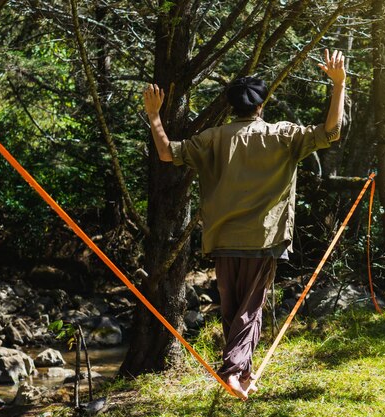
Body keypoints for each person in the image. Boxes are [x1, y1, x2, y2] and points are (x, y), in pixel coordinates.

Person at [143, 49, 346, 399]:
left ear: (231, 107)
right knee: (250, 309)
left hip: (222, 237)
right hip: (263, 238)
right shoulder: (282, 135)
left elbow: (166, 152)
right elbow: (331, 132)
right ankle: (234, 372)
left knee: (232, 309)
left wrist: (154, 116)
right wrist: (338, 86)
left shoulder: (214, 138)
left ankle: (242, 374)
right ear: (260, 106)